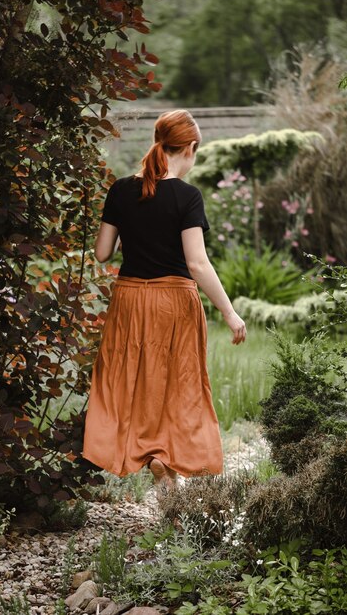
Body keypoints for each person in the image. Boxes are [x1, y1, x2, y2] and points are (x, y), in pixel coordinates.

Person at [81, 109, 247, 491]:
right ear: (189, 148)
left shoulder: (122, 190)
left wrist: (131, 229)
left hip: (129, 300)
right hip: (174, 301)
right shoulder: (187, 196)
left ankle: (156, 465)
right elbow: (197, 263)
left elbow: (103, 253)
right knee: (179, 385)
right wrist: (229, 311)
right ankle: (163, 454)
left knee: (131, 382)